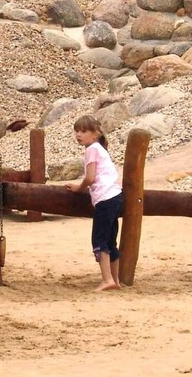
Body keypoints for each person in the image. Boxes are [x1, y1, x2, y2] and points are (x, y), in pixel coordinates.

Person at [66, 114, 123, 290]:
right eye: (76, 131)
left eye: (83, 131)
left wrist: (78, 188)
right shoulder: (100, 149)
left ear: (95, 133)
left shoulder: (91, 150)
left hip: (105, 199)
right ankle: (116, 280)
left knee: (99, 241)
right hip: (116, 197)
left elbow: (90, 178)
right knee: (111, 239)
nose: (78, 135)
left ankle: (107, 280)